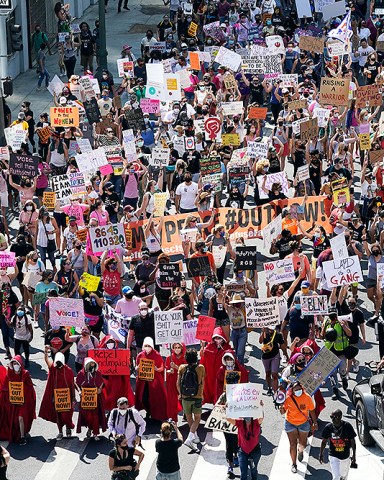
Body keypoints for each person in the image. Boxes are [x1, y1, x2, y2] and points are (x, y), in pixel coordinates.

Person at [279, 381, 317, 474]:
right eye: (296, 390)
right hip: (290, 423)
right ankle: (294, 464)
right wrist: (281, 406)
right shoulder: (288, 398)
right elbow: (283, 412)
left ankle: (300, 451)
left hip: (303, 423)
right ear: (292, 391)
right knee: (292, 444)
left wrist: (315, 422)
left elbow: (311, 410)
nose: (298, 391)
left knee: (302, 444)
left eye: (300, 389)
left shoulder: (307, 397)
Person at [39, 349, 75, 439]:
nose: (58, 364)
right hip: (57, 397)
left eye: (60, 362)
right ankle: (60, 432)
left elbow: (71, 384)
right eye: (57, 362)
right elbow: (47, 361)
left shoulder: (68, 370)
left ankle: (68, 428)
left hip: (67, 397)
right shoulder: (53, 369)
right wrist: (46, 353)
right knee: (58, 415)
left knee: (67, 414)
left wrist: (73, 397)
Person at [0, 355, 36, 445]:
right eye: (14, 363)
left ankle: (22, 437)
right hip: (13, 401)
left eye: (17, 363)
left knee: (20, 417)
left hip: (23, 401)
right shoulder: (10, 374)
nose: (15, 365)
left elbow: (30, 386)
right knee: (13, 418)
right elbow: (5, 386)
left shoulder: (25, 373)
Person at [177, 347, 205, 451]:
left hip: (185, 397)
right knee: (197, 418)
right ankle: (190, 438)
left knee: (189, 417)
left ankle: (195, 436)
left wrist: (180, 394)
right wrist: (201, 394)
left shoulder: (181, 368)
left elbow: (178, 383)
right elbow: (202, 382)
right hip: (197, 397)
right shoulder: (201, 368)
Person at [227, 405, 264, 480]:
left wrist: (261, 407)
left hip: (255, 452)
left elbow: (262, 417)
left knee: (253, 471)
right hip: (243, 452)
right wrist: (228, 408)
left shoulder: (256, 422)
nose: (248, 421)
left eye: (249, 418)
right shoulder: (240, 423)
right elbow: (228, 419)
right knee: (243, 473)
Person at [135, 337, 167, 421]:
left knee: (155, 398)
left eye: (149, 345)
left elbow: (162, 367)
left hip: (154, 381)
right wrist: (137, 368)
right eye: (145, 345)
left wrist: (157, 369)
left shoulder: (157, 355)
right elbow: (137, 366)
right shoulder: (140, 355)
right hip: (143, 381)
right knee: (143, 398)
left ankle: (154, 414)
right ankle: (148, 410)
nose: (147, 347)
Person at [319, 409, 357, 480]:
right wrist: (321, 454)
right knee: (336, 476)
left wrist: (354, 456)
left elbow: (353, 442)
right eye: (331, 417)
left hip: (345, 456)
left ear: (339, 417)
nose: (332, 419)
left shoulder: (347, 426)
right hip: (333, 455)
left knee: (343, 476)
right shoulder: (328, 427)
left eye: (334, 417)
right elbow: (324, 441)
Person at [75, 357, 106, 440]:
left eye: (93, 364)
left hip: (96, 398)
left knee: (95, 415)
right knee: (87, 415)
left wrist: (99, 389)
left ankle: (95, 433)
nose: (91, 366)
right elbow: (77, 383)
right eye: (90, 364)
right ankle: (89, 428)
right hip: (86, 398)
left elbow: (102, 382)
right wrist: (79, 391)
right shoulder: (81, 374)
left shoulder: (98, 373)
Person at [165, 342, 186, 422]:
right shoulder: (169, 358)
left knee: (183, 399)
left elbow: (186, 370)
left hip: (181, 382)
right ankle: (173, 419)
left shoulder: (185, 358)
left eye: (179, 347)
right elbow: (166, 369)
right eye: (175, 347)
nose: (177, 349)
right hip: (171, 382)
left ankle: (186, 413)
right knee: (172, 401)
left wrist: (176, 367)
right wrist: (169, 371)